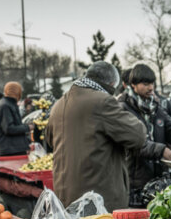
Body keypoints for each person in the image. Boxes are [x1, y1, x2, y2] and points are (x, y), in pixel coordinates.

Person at [46, 61, 147, 210]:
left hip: (65, 197)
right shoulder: (103, 102)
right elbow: (137, 135)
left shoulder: (59, 104)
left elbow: (49, 140)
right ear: (112, 83)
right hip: (97, 201)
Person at [119, 64, 171, 201]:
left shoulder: (154, 106)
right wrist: (162, 150)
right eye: (145, 84)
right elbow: (133, 143)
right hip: (134, 181)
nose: (151, 88)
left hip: (157, 178)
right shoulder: (122, 108)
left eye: (152, 83)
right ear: (133, 84)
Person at [0, 81, 33, 157]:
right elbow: (9, 128)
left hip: (14, 148)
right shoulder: (5, 105)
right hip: (11, 150)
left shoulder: (10, 104)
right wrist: (28, 127)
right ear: (18, 92)